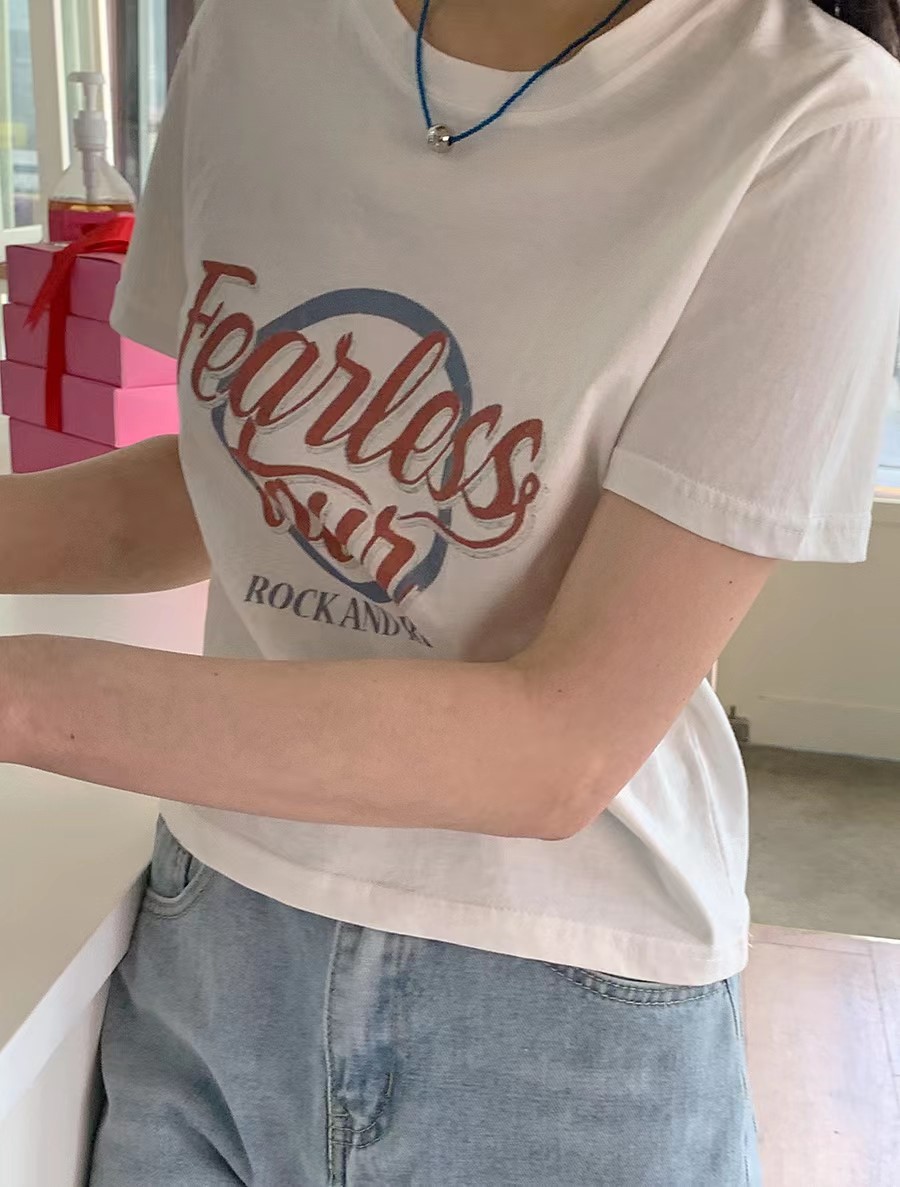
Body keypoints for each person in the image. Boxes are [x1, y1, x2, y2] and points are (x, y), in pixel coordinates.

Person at [1, 0, 899, 1182]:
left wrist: (18, 693)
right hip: (212, 929)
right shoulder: (256, 33)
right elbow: (216, 483)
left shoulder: (815, 115)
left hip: (559, 1010)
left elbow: (558, 746)